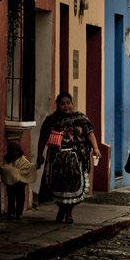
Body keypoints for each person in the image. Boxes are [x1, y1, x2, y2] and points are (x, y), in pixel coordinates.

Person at [36, 92, 102, 224]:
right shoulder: (51, 120)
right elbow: (43, 138)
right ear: (58, 105)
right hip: (56, 159)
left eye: (68, 103)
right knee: (58, 186)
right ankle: (61, 209)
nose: (66, 106)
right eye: (62, 104)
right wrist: (39, 154)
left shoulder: (81, 118)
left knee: (72, 186)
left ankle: (69, 213)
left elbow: (90, 134)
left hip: (75, 158)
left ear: (72, 103)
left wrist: (95, 149)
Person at [0, 142, 36, 220]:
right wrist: (12, 172)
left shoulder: (23, 159)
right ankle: (11, 213)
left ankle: (19, 213)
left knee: (20, 198)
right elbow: (4, 168)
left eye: (17, 151)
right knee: (11, 198)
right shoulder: (7, 159)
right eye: (13, 151)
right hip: (10, 183)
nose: (15, 153)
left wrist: (16, 172)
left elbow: (28, 167)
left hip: (20, 183)